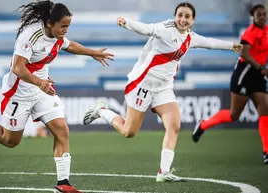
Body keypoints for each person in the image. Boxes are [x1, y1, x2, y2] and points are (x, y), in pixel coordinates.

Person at [0, 1, 114, 192]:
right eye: (63, 26)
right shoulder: (30, 36)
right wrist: (40, 82)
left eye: (68, 26)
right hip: (19, 92)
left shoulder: (57, 36)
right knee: (10, 141)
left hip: (42, 90)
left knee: (61, 130)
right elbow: (18, 68)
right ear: (50, 23)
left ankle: (63, 183)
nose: (66, 30)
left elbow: (69, 45)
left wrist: (93, 53)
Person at [83, 2, 242, 182]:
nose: (182, 19)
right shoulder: (165, 28)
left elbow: (210, 43)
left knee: (174, 125)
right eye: (180, 15)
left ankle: (163, 172)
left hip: (164, 88)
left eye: (187, 16)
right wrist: (126, 23)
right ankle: (101, 111)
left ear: (193, 20)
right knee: (129, 132)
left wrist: (233, 46)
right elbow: (146, 29)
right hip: (142, 84)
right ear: (175, 16)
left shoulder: (190, 37)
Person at [192, 4, 268, 165]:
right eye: (259, 15)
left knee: (265, 111)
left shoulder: (266, 30)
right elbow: (244, 53)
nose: (262, 17)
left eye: (264, 14)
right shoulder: (250, 33)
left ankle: (266, 152)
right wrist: (260, 67)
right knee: (234, 115)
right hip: (245, 74)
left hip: (258, 76)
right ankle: (203, 125)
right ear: (252, 17)